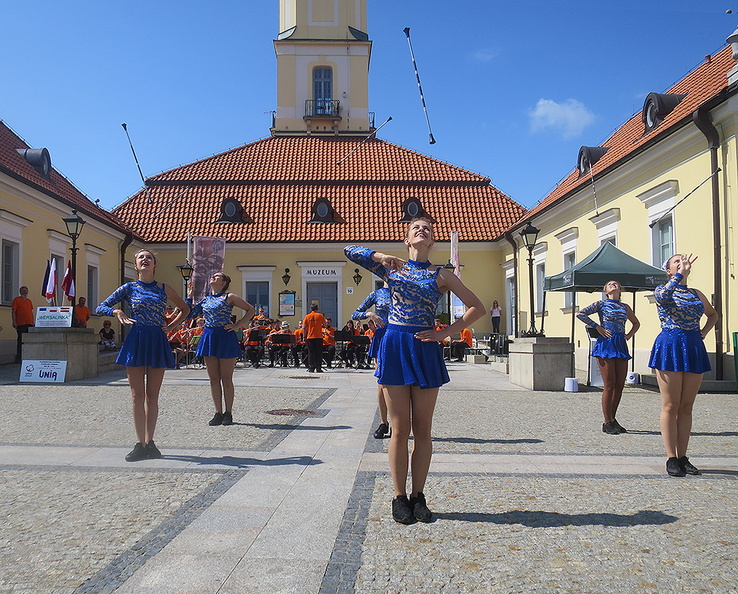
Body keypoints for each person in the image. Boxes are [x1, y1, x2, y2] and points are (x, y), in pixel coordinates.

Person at [344, 216, 485, 524]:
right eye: (415, 228)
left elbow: (477, 307)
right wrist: (381, 257)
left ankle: (418, 495)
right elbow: (349, 250)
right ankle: (398, 496)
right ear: (407, 240)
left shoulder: (442, 274)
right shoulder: (391, 268)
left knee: (422, 429)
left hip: (424, 346)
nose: (422, 231)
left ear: (432, 241)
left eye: (427, 229)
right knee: (399, 428)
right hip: (395, 345)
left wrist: (444, 332)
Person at [96, 249, 189, 462]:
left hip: (156, 339)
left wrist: (173, 326)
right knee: (137, 396)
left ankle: (151, 441)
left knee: (152, 396)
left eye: (149, 257)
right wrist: (117, 312)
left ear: (155, 265)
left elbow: (185, 308)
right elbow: (101, 306)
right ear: (136, 266)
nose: (145, 259)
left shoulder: (164, 288)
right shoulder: (129, 288)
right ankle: (140, 443)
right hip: (136, 340)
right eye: (141, 258)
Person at [648, 254, 717, 477]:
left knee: (686, 406)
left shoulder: (696, 293)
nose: (682, 262)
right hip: (670, 345)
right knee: (670, 405)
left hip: (693, 346)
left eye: (683, 260)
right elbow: (664, 296)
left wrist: (704, 332)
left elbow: (713, 314)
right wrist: (679, 275)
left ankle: (683, 456)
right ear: (668, 270)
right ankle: (671, 457)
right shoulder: (662, 288)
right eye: (675, 261)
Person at [186, 273, 255, 426]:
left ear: (224, 282)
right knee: (213, 378)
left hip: (225, 336)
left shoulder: (229, 297)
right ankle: (218, 412)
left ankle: (228, 412)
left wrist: (237, 325)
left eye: (217, 276)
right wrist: (189, 297)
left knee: (226, 378)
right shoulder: (206, 299)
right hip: (209, 336)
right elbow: (190, 315)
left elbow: (250, 309)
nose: (213, 277)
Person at [577, 280, 641, 434]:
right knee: (609, 384)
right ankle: (607, 421)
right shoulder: (601, 304)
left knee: (620, 384)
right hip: (606, 343)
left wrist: (628, 336)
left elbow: (636, 323)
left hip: (620, 343)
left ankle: (613, 418)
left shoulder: (625, 307)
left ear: (620, 289)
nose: (613, 285)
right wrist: (597, 327)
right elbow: (581, 314)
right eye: (610, 284)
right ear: (606, 291)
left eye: (616, 283)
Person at [352, 282, 392, 438]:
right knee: (382, 382)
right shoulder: (376, 294)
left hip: (400, 336)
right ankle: (384, 423)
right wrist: (370, 315)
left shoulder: (402, 291)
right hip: (382, 337)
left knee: (401, 383)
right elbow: (355, 314)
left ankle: (397, 423)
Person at [12, 286, 34, 363]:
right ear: (20, 292)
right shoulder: (17, 300)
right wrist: (14, 322)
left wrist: (33, 321)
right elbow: (14, 311)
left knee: (29, 341)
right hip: (20, 323)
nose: (25, 292)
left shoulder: (29, 301)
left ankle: (27, 357)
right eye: (23, 290)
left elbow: (30, 312)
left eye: (26, 291)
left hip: (29, 323)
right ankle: (19, 358)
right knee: (20, 340)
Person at [302, 303, 325, 373]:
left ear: (310, 309)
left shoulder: (307, 316)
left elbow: (304, 327)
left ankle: (311, 367)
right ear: (317, 309)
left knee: (311, 352)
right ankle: (318, 368)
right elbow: (324, 324)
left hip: (310, 336)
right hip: (319, 336)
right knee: (319, 353)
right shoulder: (320, 316)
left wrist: (304, 336)